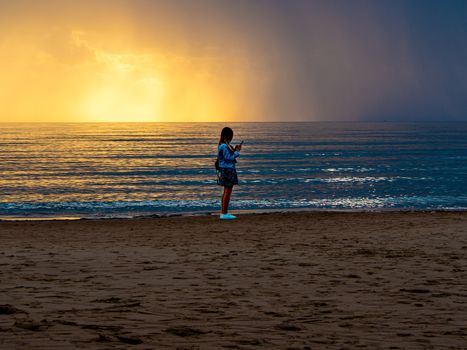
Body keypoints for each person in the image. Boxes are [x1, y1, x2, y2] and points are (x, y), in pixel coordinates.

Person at [217, 127, 242, 219]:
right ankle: (224, 213)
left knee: (226, 191)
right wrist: (237, 152)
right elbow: (228, 158)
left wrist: (234, 150)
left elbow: (228, 156)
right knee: (227, 191)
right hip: (227, 170)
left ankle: (224, 212)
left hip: (226, 169)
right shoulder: (224, 146)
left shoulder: (223, 145)